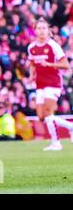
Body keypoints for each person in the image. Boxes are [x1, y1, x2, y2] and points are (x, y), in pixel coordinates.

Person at [28, 17, 73, 151]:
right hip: (40, 84)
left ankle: (56, 143)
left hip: (53, 83)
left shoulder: (53, 45)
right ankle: (71, 127)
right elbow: (32, 63)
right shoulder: (31, 47)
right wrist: (31, 76)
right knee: (41, 116)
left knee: (48, 112)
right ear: (35, 31)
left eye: (44, 28)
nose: (41, 31)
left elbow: (65, 65)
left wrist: (50, 64)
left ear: (48, 31)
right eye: (39, 28)